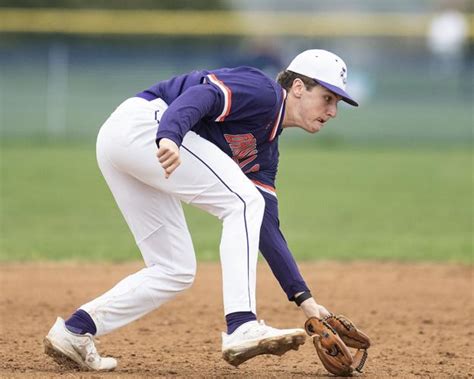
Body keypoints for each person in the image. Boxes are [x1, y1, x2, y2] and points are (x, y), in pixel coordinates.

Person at [44, 49, 359, 371]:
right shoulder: (264, 92)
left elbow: (265, 226)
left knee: (175, 267)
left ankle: (76, 331)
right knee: (242, 201)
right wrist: (169, 136)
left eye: (337, 103)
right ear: (297, 88)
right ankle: (241, 324)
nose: (333, 111)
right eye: (328, 97)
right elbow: (202, 95)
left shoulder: (265, 151)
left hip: (126, 143)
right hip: (145, 125)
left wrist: (305, 300)